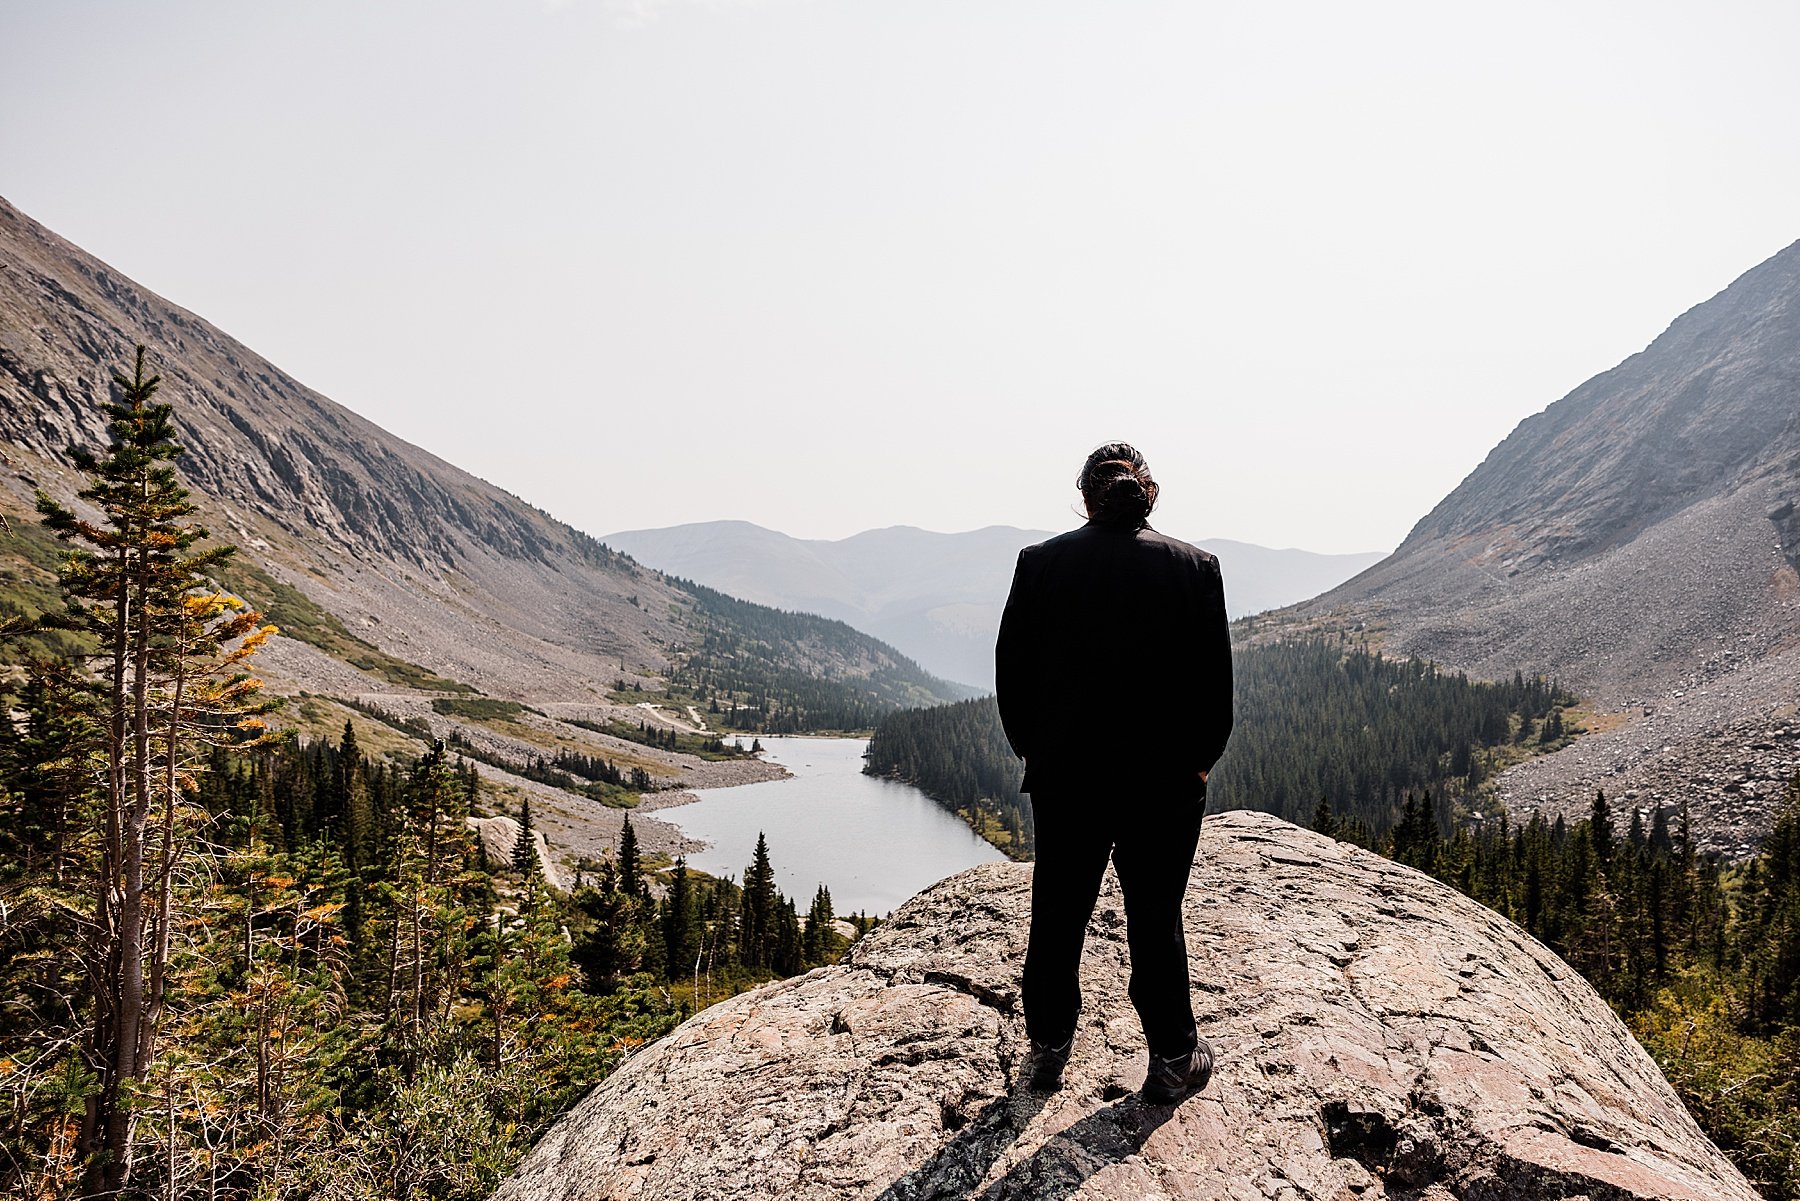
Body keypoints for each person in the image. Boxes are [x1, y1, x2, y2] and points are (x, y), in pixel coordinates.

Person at [994, 442, 1233, 1104]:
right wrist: (1199, 764)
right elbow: (1216, 690)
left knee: (1058, 914)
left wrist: (1033, 752)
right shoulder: (1195, 566)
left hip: (1066, 777)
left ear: (1086, 496)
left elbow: (1013, 676)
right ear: (1146, 493)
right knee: (1156, 915)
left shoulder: (1040, 564)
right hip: (1163, 783)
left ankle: (1047, 1050)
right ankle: (1173, 1057)